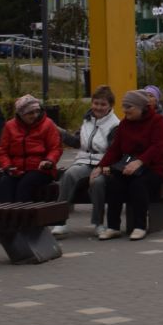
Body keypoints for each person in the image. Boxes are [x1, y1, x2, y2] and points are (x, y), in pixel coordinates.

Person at [92, 90, 163, 240]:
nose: (125, 110)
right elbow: (115, 148)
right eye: (124, 106)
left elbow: (158, 147)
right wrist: (101, 166)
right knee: (114, 182)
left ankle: (139, 226)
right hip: (130, 165)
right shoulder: (125, 124)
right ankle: (113, 226)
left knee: (138, 184)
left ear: (141, 107)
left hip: (156, 167)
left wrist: (140, 161)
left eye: (129, 107)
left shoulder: (157, 121)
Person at [54, 86, 120, 236]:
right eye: (96, 103)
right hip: (84, 162)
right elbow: (78, 142)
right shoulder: (87, 120)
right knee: (69, 174)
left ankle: (98, 223)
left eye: (103, 104)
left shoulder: (115, 125)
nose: (98, 107)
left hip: (104, 165)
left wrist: (103, 166)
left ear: (110, 106)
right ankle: (59, 221)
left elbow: (114, 151)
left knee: (97, 183)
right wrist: (61, 132)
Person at [0, 94, 61, 204]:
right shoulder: (9, 126)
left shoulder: (48, 124)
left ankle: (22, 217)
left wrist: (49, 161)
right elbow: (2, 151)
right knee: (5, 184)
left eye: (37, 111)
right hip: (15, 168)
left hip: (40, 168)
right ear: (21, 114)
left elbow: (55, 148)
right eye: (30, 113)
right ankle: (6, 216)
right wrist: (7, 166)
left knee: (25, 185)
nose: (35, 115)